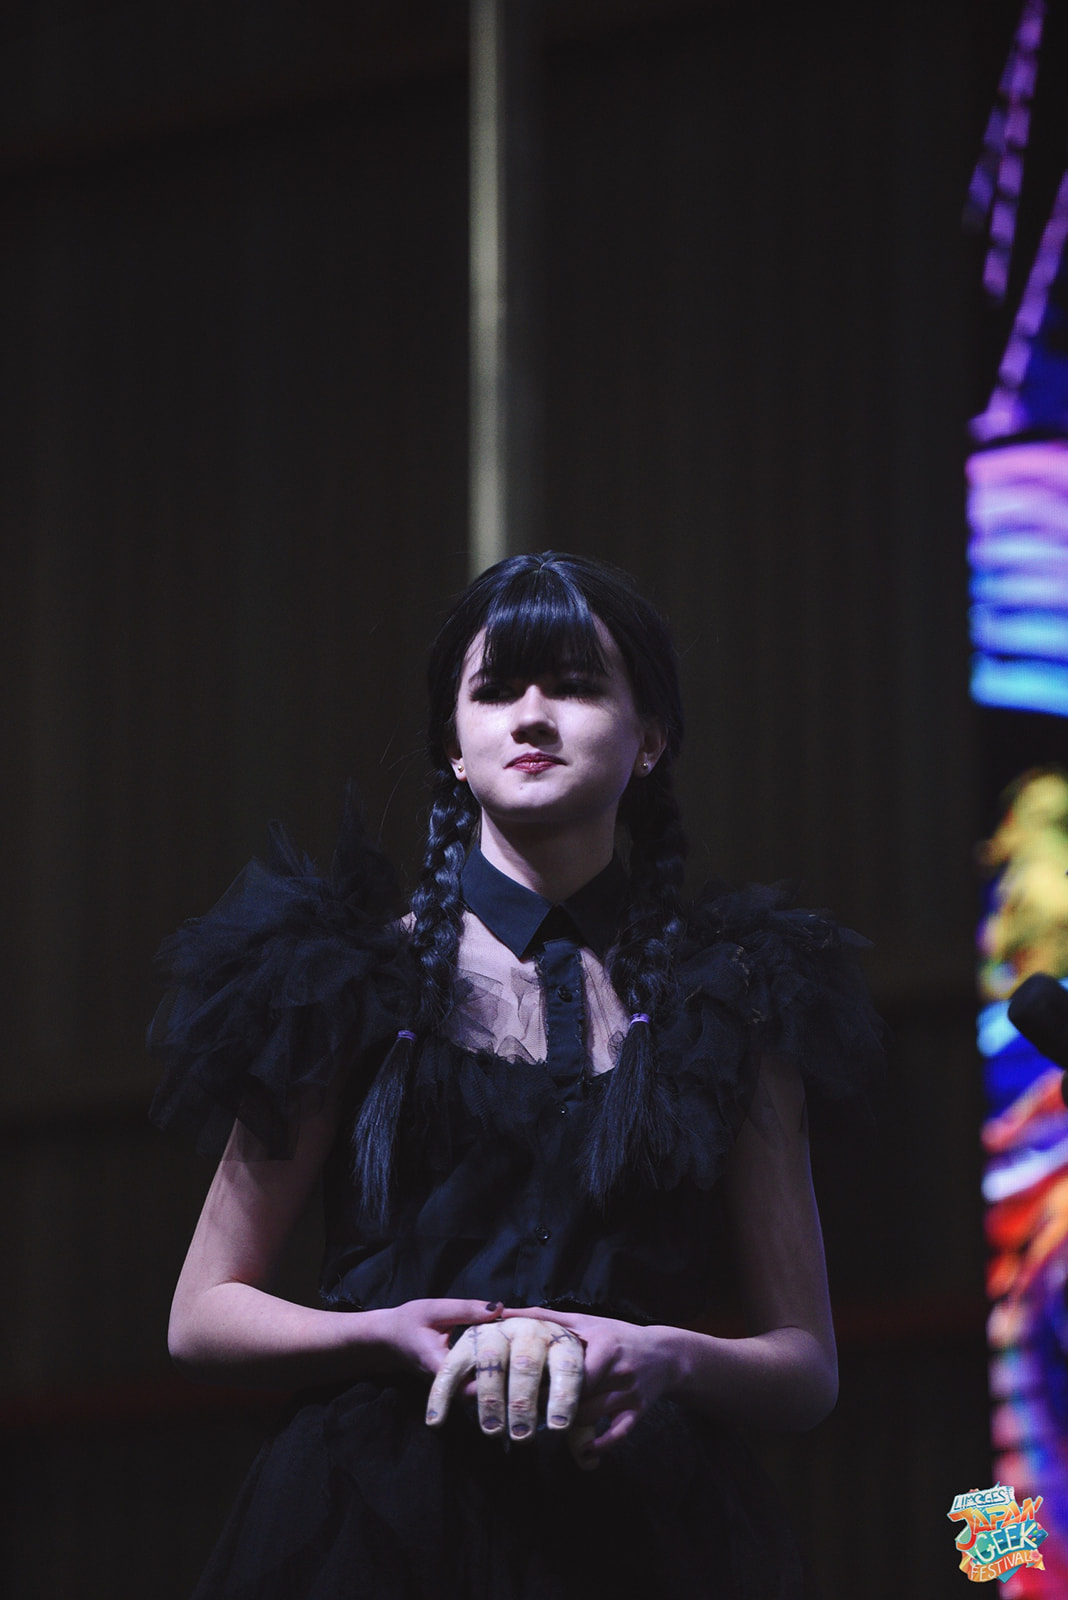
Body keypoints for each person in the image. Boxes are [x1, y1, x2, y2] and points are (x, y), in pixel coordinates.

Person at [149, 551, 882, 1599]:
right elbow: (202, 1313)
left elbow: (806, 1367)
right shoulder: (344, 978)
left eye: (575, 685)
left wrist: (663, 1353)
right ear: (454, 745)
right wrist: (383, 1335)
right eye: (495, 691)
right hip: (376, 1522)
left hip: (643, 1529)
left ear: (651, 738)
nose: (532, 717)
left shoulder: (737, 999)